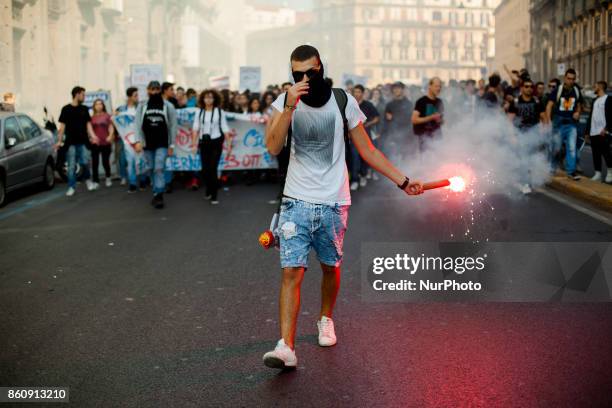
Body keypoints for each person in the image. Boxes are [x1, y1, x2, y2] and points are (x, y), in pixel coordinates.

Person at [262, 45, 423, 370]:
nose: (305, 79)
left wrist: (403, 181)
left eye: (310, 72)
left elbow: (368, 150)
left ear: (321, 67)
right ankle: (285, 347)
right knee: (291, 272)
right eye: (297, 74)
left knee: (329, 267)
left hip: (334, 202)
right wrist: (290, 107)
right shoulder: (284, 101)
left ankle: (325, 318)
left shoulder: (343, 101)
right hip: (296, 200)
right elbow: (273, 146)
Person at [135, 81, 177, 209]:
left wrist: (172, 145)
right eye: (152, 89)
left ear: (160, 90)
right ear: (148, 90)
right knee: (151, 168)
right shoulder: (142, 106)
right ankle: (156, 191)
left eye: (157, 89)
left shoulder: (168, 106)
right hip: (147, 143)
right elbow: (137, 125)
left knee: (159, 167)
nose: (155, 91)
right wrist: (138, 141)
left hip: (162, 143)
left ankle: (159, 195)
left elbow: (173, 126)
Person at [54, 86, 97, 196]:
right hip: (70, 143)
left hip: (83, 142)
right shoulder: (66, 109)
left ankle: (88, 180)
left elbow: (88, 125)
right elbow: (62, 127)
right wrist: (59, 141)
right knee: (71, 166)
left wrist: (93, 136)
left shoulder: (84, 109)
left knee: (85, 163)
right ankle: (71, 187)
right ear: (77, 94)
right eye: (83, 94)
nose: (84, 97)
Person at [191, 89, 231, 205]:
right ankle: (209, 188)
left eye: (211, 97)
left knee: (213, 168)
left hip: (216, 142)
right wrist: (194, 144)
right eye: (206, 97)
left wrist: (228, 146)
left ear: (215, 99)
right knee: (205, 170)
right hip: (204, 143)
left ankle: (214, 195)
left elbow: (225, 128)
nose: (208, 99)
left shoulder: (219, 112)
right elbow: (195, 129)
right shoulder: (199, 112)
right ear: (202, 99)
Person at [507, 78, 545, 194]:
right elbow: (509, 120)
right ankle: (524, 183)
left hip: (533, 134)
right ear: (522, 88)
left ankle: (524, 181)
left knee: (531, 160)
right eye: (526, 86)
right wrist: (512, 136)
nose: (529, 89)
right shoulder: (516, 102)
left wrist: (544, 132)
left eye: (530, 87)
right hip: (520, 134)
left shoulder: (537, 101)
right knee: (523, 158)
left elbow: (543, 117)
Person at [545, 68, 583, 180]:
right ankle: (551, 168)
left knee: (571, 147)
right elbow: (549, 105)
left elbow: (579, 105)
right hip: (558, 123)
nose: (570, 81)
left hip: (571, 123)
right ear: (565, 78)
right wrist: (548, 121)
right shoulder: (558, 90)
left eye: (573, 79)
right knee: (556, 147)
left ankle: (571, 171)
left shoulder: (576, 90)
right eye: (568, 78)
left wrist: (577, 112)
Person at [350, 84, 380, 190]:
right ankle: (354, 179)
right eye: (355, 92)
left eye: (359, 92)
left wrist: (368, 124)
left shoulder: (368, 105)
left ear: (362, 93)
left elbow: (377, 118)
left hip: (366, 136)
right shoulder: (350, 105)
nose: (357, 94)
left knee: (365, 157)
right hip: (353, 137)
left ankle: (363, 175)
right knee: (354, 157)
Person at [588, 80, 612, 183]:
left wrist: (607, 128)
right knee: (595, 153)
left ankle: (610, 172)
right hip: (594, 131)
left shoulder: (608, 99)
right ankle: (597, 173)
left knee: (606, 153)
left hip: (603, 131)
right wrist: (587, 132)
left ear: (600, 87)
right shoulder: (594, 100)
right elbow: (590, 117)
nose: (594, 87)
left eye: (595, 86)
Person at [412, 77, 444, 153]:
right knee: (427, 161)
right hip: (424, 138)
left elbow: (441, 121)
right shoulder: (421, 101)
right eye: (436, 86)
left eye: (440, 86)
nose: (438, 88)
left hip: (437, 137)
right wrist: (431, 117)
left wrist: (440, 120)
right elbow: (414, 120)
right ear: (430, 86)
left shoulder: (440, 102)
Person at [384, 81, 414, 160]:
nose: (396, 90)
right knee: (393, 160)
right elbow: (386, 121)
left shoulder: (408, 104)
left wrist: (393, 117)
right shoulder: (389, 105)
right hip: (393, 136)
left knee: (407, 160)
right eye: (394, 89)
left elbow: (409, 119)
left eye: (398, 88)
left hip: (406, 136)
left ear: (402, 90)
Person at [90, 99, 115, 188]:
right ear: (94, 106)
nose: (99, 106)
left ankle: (108, 177)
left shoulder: (107, 116)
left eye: (100, 104)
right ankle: (96, 181)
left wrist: (110, 135)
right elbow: (89, 129)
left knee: (105, 162)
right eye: (97, 104)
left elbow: (111, 127)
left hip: (106, 142)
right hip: (95, 143)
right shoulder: (91, 118)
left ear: (103, 106)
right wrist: (91, 138)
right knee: (95, 162)